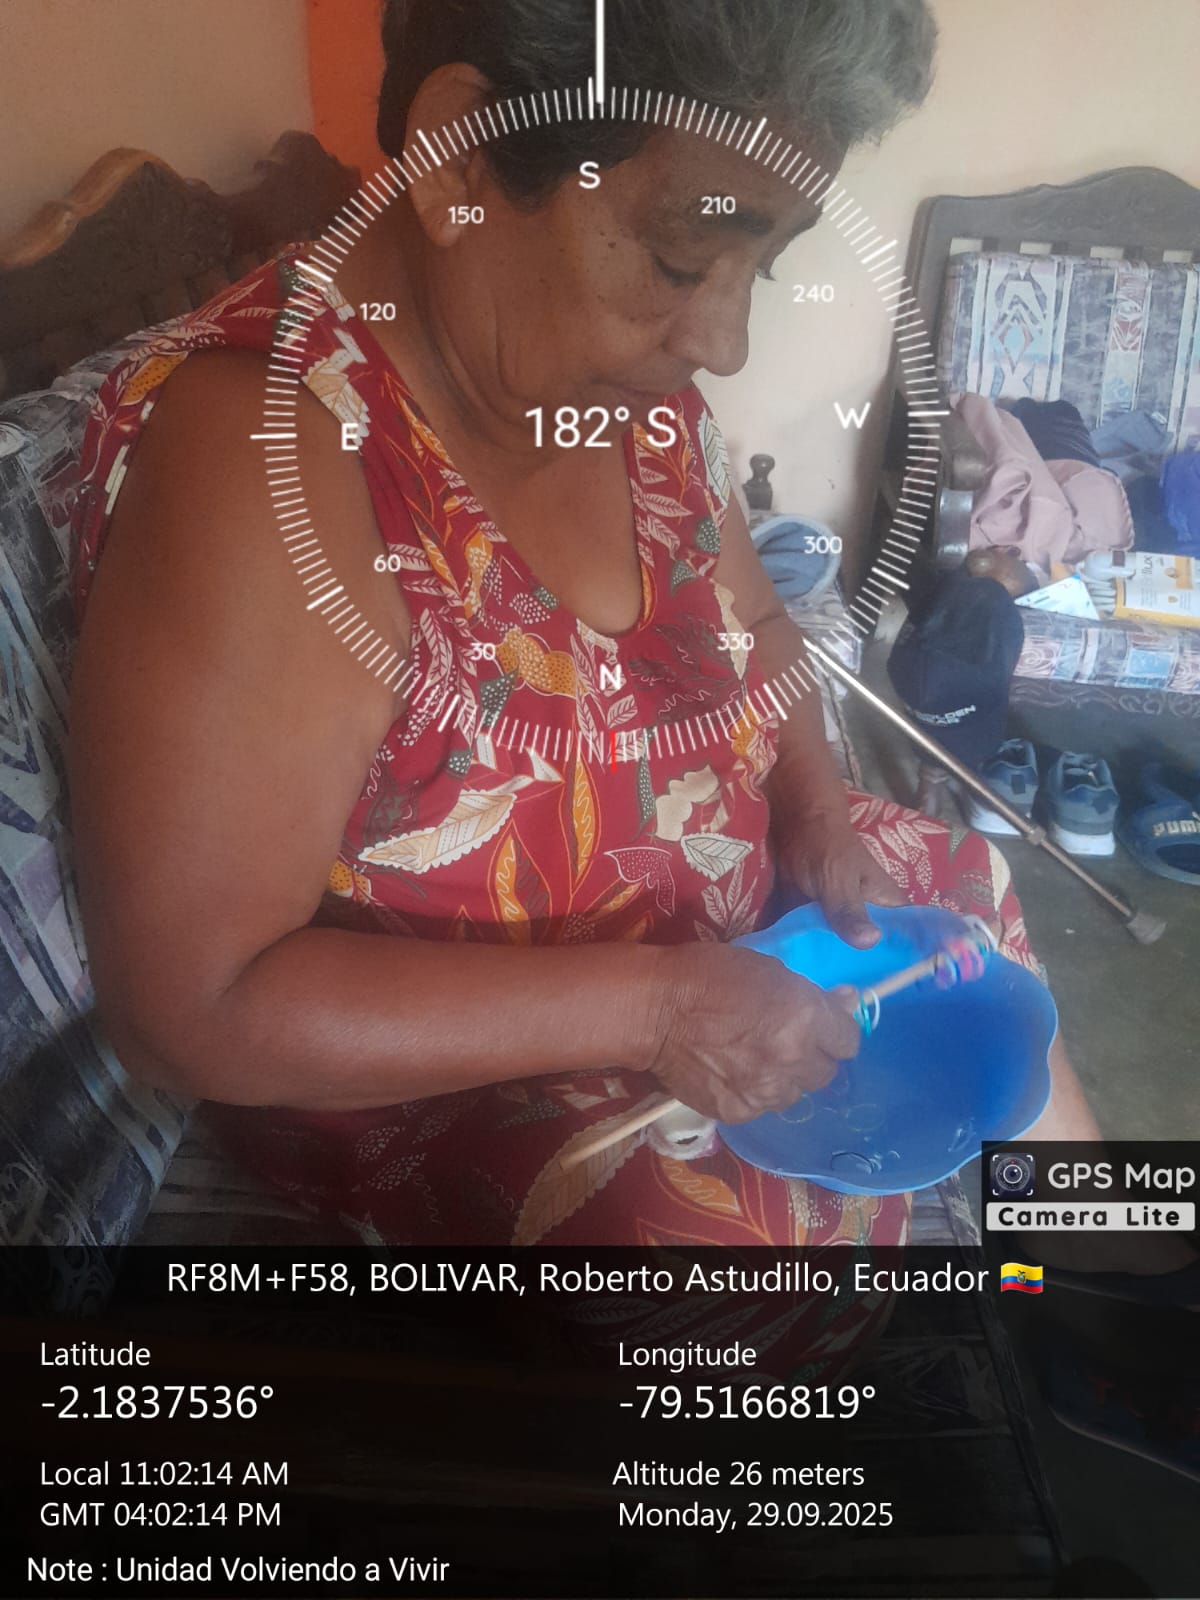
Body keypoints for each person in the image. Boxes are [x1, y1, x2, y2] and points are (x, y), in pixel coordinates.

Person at [67, 0, 1098, 1267]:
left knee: (962, 906)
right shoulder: (268, 460)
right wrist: (660, 1010)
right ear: (459, 157)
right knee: (727, 1239)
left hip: (730, 939)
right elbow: (197, 1006)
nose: (725, 342)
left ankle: (1121, 1284)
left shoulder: (619, 389)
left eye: (763, 267)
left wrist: (818, 811)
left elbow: (756, 621)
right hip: (478, 1058)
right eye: (681, 258)